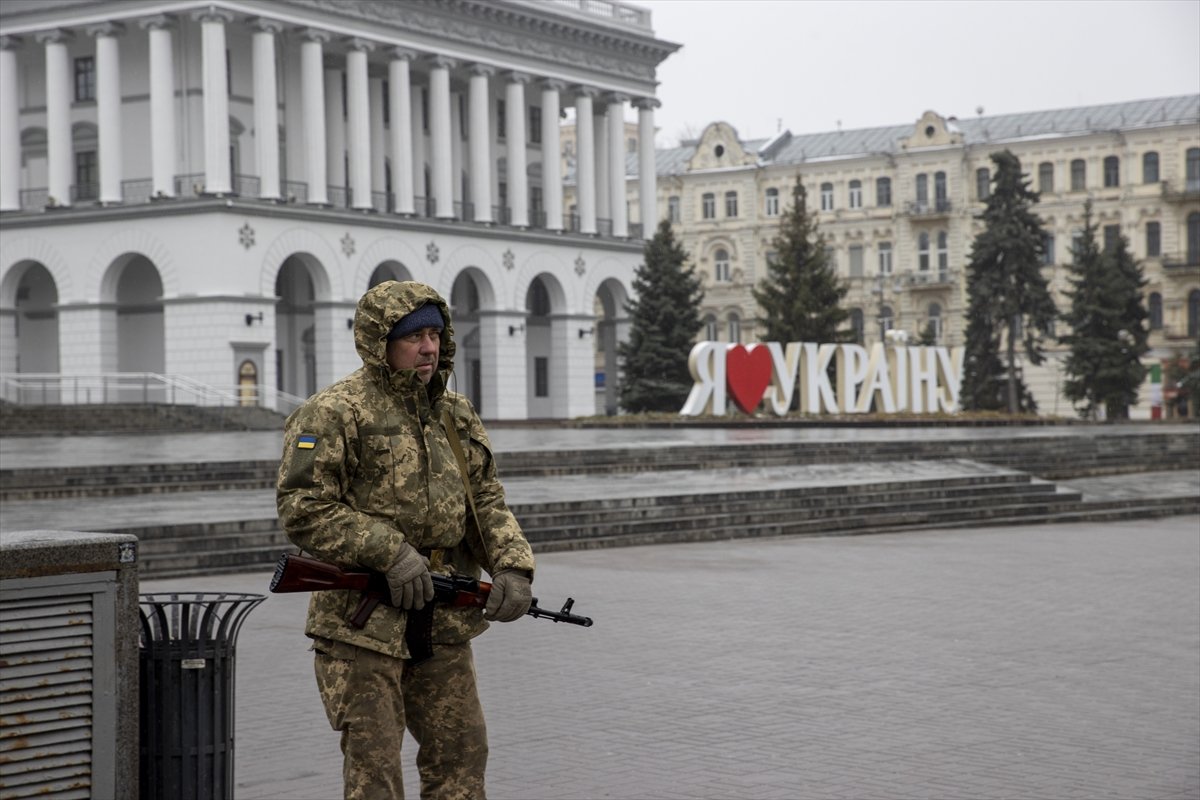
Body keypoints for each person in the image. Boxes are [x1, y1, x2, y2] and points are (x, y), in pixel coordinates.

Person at [277, 279, 535, 800]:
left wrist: (512, 565)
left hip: (442, 620)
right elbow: (302, 507)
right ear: (379, 341)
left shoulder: (454, 413)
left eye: (435, 333)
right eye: (413, 335)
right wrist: (389, 552)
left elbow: (484, 500)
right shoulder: (333, 412)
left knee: (462, 758)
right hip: (363, 623)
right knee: (375, 775)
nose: (429, 346)